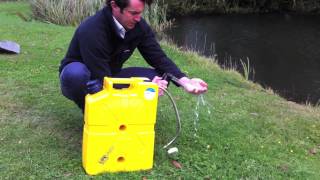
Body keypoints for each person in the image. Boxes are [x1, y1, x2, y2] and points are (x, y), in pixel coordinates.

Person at [59, 0, 208, 111]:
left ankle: (126, 112)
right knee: (76, 74)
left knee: (159, 78)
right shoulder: (93, 30)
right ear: (115, 6)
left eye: (140, 13)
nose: (138, 18)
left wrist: (185, 81)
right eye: (133, 13)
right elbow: (100, 77)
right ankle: (92, 113)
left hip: (110, 75)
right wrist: (140, 87)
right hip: (86, 77)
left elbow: (158, 58)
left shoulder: (139, 27)